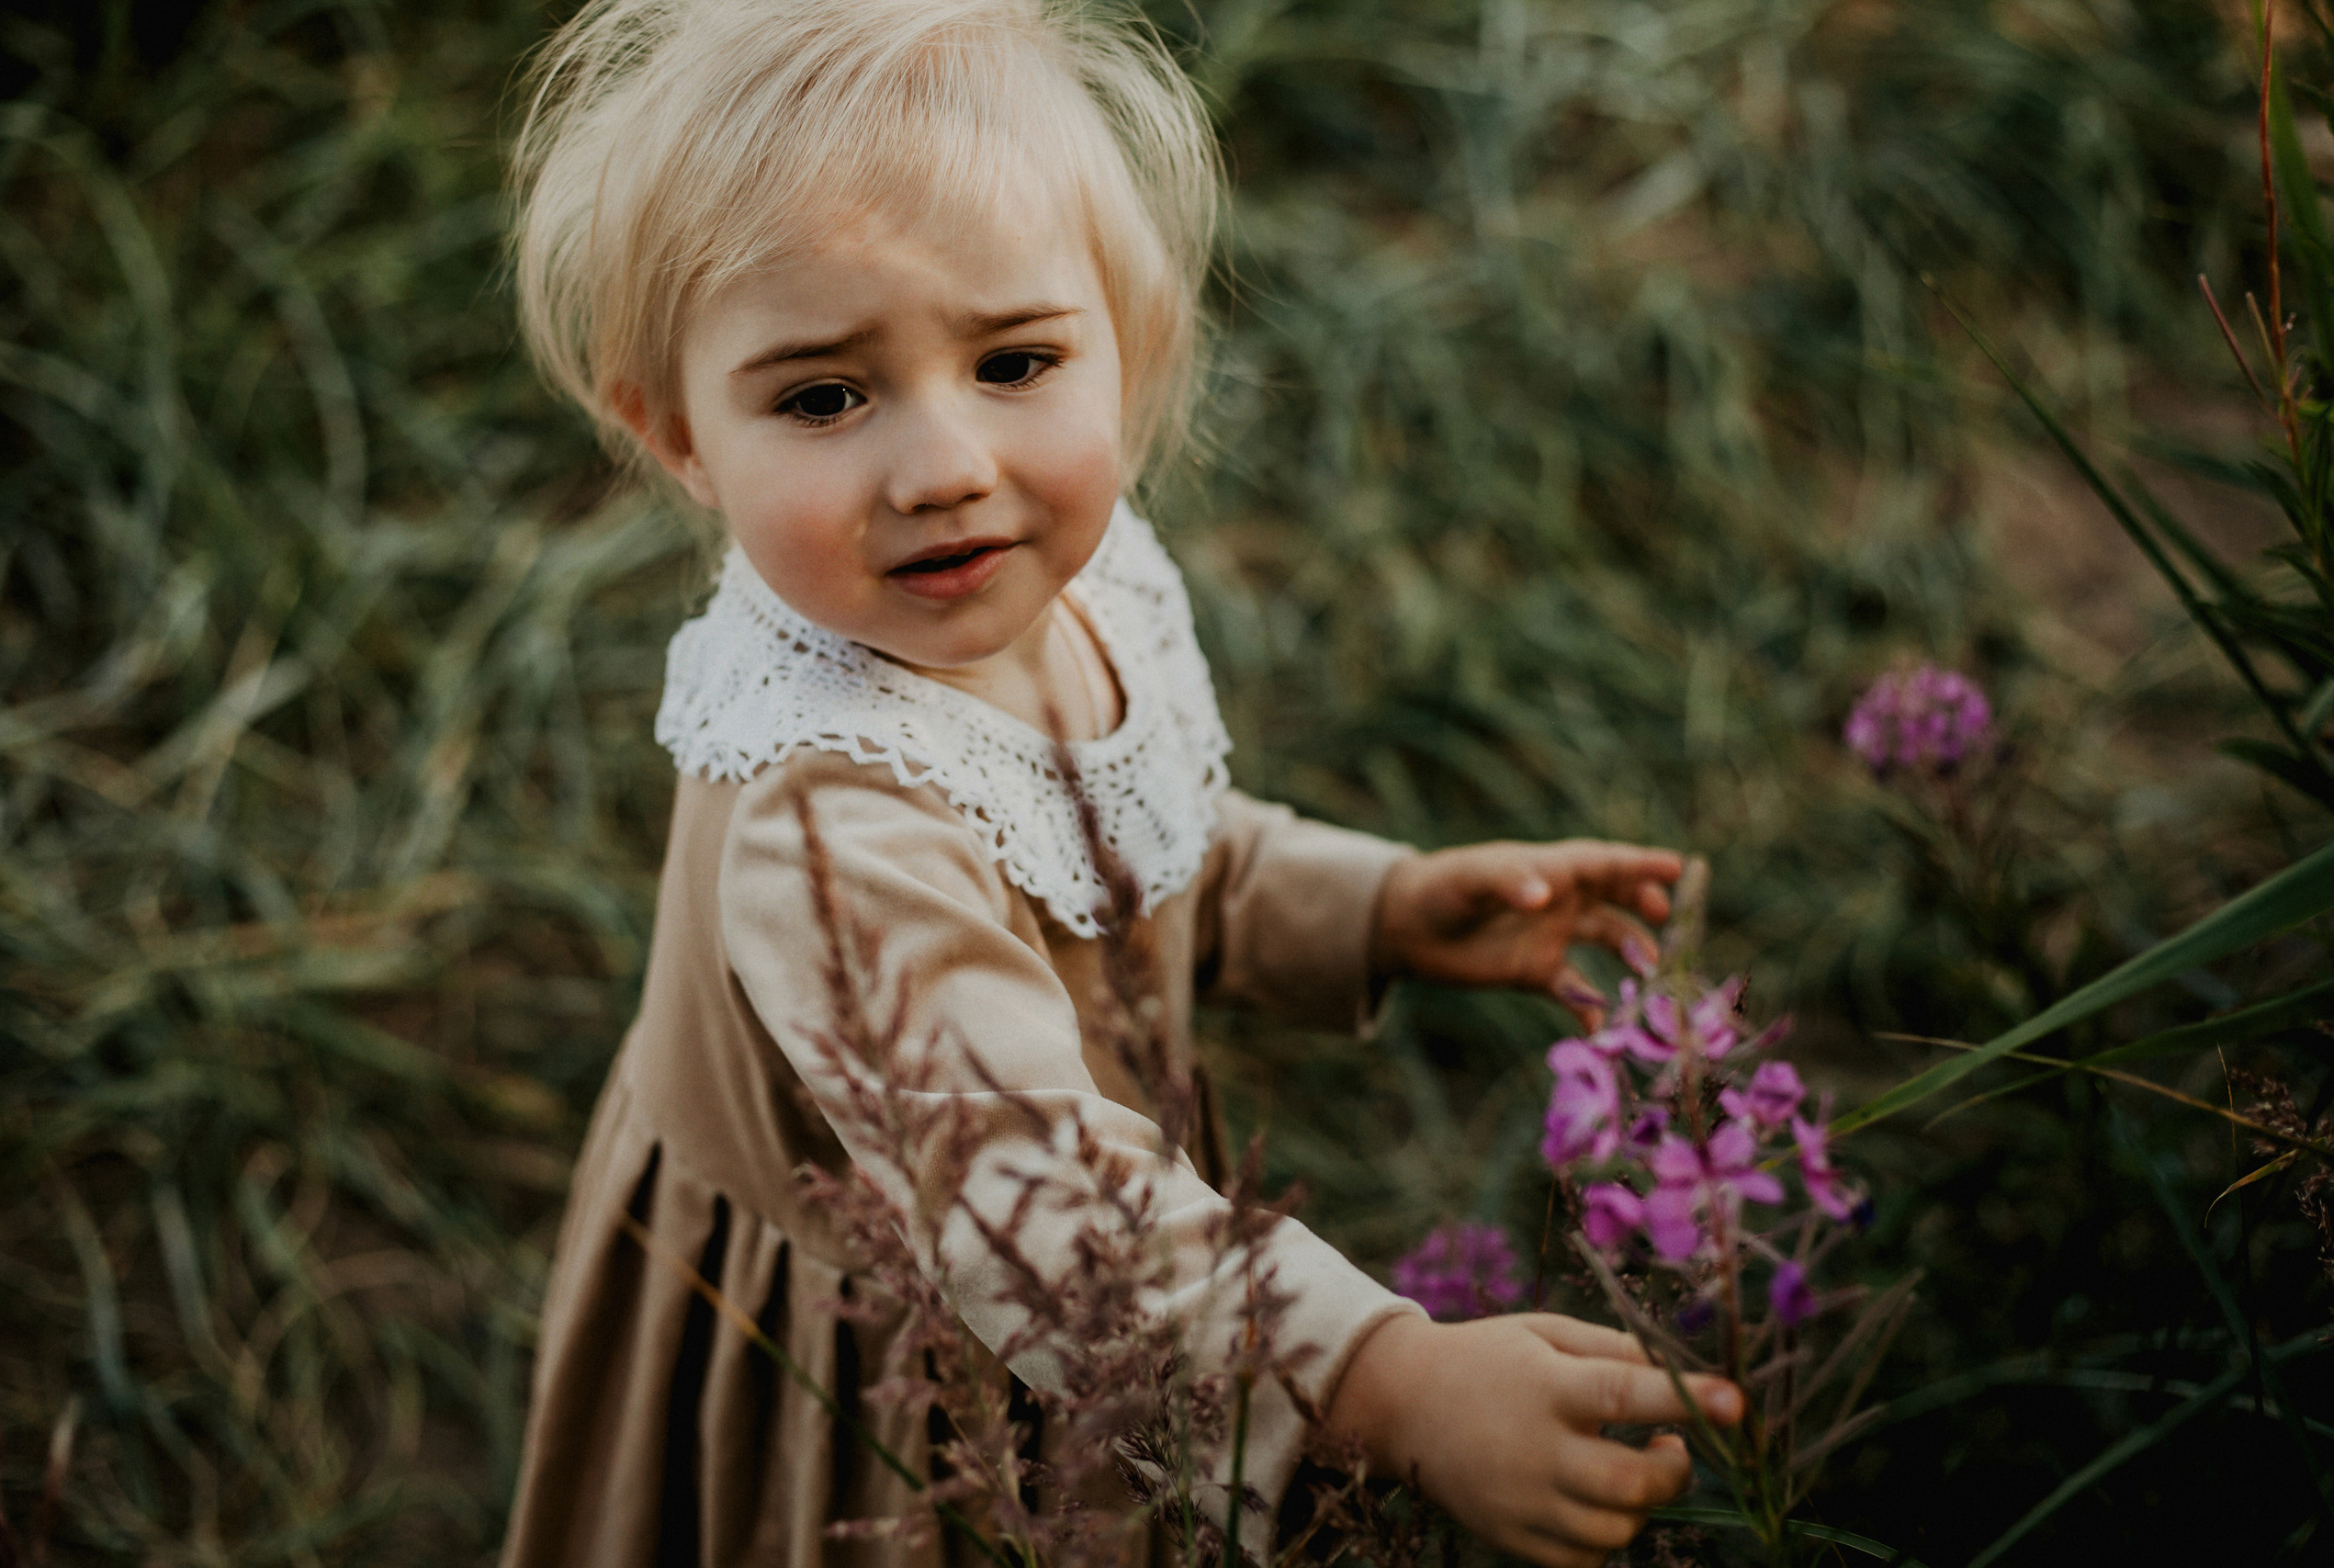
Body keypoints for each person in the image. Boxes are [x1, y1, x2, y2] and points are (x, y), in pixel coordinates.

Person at [501, 2, 1742, 1563]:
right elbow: (1029, 1206)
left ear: (1126, 345)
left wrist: (1371, 906)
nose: (943, 462)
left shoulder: (1049, 592)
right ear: (677, 431)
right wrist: (1388, 1380)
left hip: (1113, 1263)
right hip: (915, 1349)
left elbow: (1119, 851)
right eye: (822, 397)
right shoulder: (822, 820)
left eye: (1013, 360)